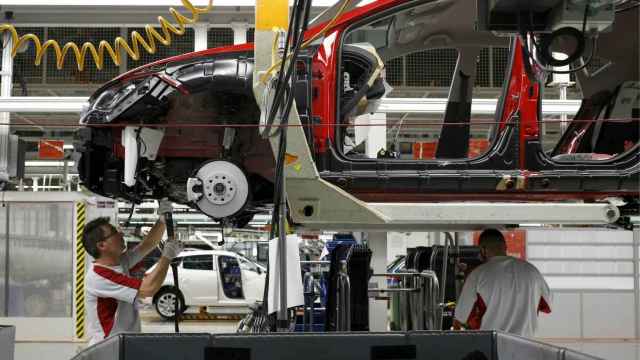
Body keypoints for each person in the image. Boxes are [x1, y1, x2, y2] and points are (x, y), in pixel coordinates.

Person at [83, 199, 183, 346]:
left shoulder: (118, 261)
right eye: (115, 232)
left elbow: (147, 244)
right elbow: (148, 289)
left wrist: (162, 219)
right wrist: (167, 256)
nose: (120, 233)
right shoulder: (100, 276)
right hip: (109, 348)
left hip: (125, 344)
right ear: (102, 245)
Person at [453, 229, 551, 337]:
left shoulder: (478, 274)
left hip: (493, 346)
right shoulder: (532, 271)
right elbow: (547, 304)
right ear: (505, 247)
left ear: (483, 250)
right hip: (527, 346)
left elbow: (462, 317)